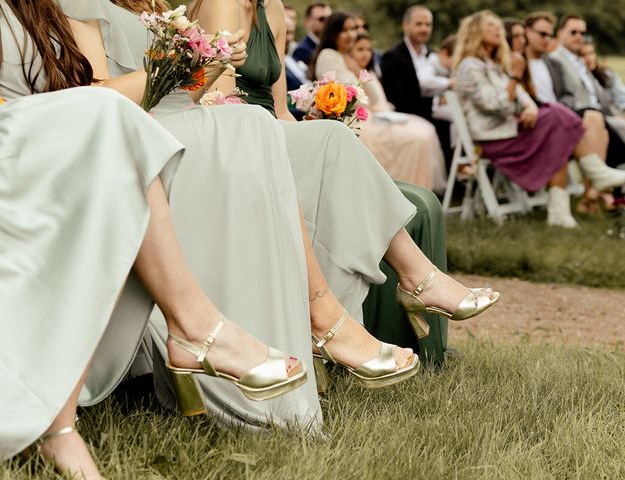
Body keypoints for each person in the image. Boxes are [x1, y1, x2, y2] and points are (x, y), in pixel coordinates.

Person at [61, 0, 426, 431]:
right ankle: (322, 318)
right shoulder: (87, 6)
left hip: (182, 113)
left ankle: (373, 296)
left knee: (303, 133)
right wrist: (191, 61)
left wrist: (205, 65)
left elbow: (191, 92)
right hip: (136, 121)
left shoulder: (162, 6)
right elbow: (102, 96)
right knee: (251, 128)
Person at [0, 0, 308, 477]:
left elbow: (97, 92)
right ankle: (195, 327)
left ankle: (62, 423)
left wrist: (194, 66)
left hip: (66, 140)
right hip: (7, 148)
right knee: (110, 125)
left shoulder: (50, 10)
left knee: (227, 125)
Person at [188, 0, 500, 365]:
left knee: (334, 141)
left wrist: (310, 136)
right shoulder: (221, 4)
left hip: (270, 133)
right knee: (332, 141)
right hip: (233, 139)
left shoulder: (269, 8)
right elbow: (217, 103)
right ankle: (416, 280)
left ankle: (382, 303)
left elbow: (281, 110)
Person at [453, 10, 612, 228]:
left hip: (510, 129)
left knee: (556, 126)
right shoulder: (469, 67)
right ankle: (593, 175)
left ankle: (561, 209)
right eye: (491, 25)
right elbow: (495, 105)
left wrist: (530, 108)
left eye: (498, 25)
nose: (498, 29)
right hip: (493, 139)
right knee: (556, 118)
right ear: (475, 32)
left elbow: (523, 97)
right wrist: (516, 76)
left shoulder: (494, 65)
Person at [310, 11, 445, 190]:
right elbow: (349, 95)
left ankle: (418, 188)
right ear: (334, 32)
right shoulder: (329, 56)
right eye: (346, 30)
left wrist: (358, 68)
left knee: (425, 129)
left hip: (371, 113)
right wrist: (372, 104)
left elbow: (376, 94)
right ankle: (406, 189)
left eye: (353, 29)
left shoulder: (350, 57)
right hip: (352, 119)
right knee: (416, 138)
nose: (352, 34)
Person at [525, 12, 625, 204]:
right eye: (573, 32)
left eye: (583, 33)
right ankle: (600, 191)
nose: (579, 36)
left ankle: (600, 193)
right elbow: (565, 98)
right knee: (595, 121)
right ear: (561, 33)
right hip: (566, 119)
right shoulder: (554, 60)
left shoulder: (568, 62)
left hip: (576, 117)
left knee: (599, 122)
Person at [350, 31, 447, 190]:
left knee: (426, 129)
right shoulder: (354, 75)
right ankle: (404, 185)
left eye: (368, 50)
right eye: (360, 49)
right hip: (369, 117)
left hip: (384, 112)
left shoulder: (371, 72)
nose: (365, 54)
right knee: (416, 138)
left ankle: (422, 185)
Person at [380, 5, 453, 170]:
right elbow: (397, 98)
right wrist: (436, 101)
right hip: (408, 114)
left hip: (436, 110)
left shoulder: (432, 55)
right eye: (419, 24)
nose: (424, 29)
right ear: (405, 25)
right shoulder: (392, 57)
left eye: (428, 25)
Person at [292, 2, 331, 66]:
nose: (327, 22)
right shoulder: (302, 50)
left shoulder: (332, 45)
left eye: (329, 19)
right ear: (307, 22)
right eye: (322, 19)